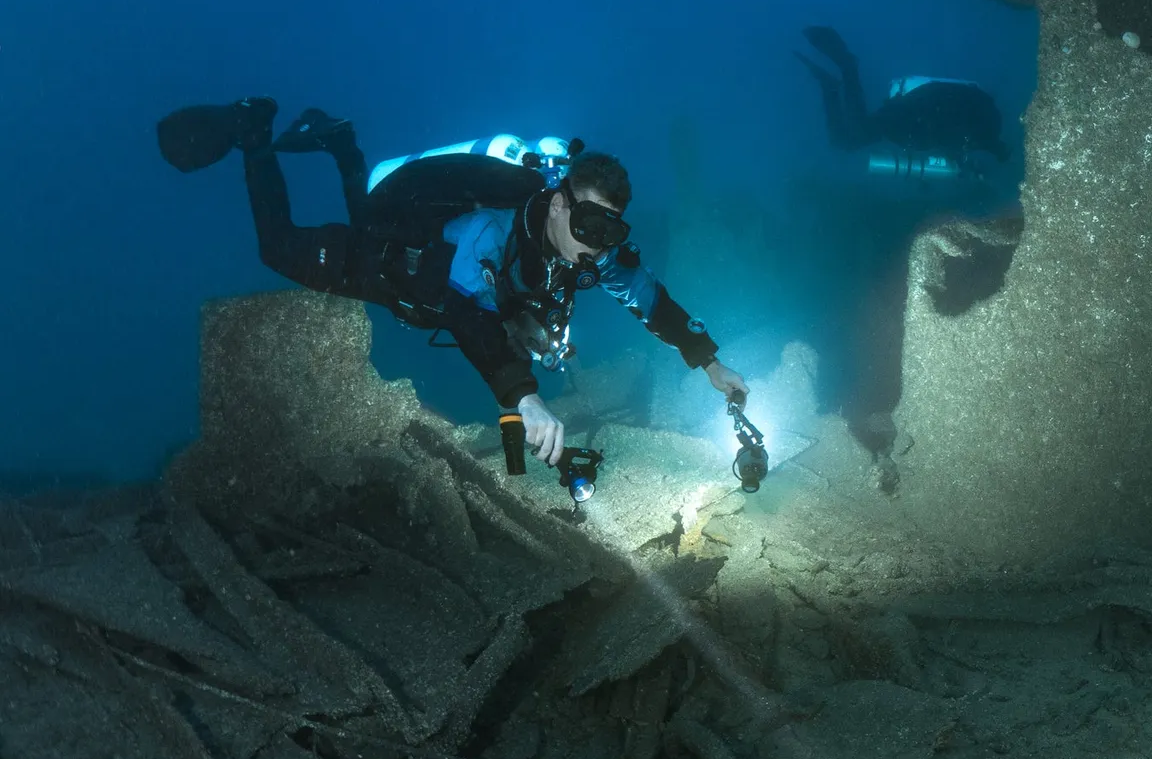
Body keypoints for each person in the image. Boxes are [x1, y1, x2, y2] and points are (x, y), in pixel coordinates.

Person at [156, 98, 745, 467]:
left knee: (363, 206)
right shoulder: (494, 228)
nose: (597, 244)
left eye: (610, 231)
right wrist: (525, 397)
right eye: (589, 223)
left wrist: (710, 361)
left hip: (432, 287)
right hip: (394, 268)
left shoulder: (593, 252)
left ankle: (342, 143)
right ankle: (253, 132)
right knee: (278, 248)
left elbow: (649, 299)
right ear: (560, 204)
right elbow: (468, 309)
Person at [796, 25, 1010, 168]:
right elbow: (944, 118)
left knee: (844, 142)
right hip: (912, 116)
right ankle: (847, 67)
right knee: (855, 132)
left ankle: (831, 87)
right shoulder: (980, 124)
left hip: (910, 125)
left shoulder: (982, 123)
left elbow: (971, 142)